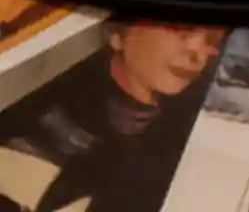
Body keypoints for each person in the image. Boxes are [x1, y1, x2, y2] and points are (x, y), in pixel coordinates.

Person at [0, 21, 222, 212]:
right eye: (182, 29)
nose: (198, 54)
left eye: (212, 40)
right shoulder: (33, 96)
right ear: (118, 33)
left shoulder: (173, 146)